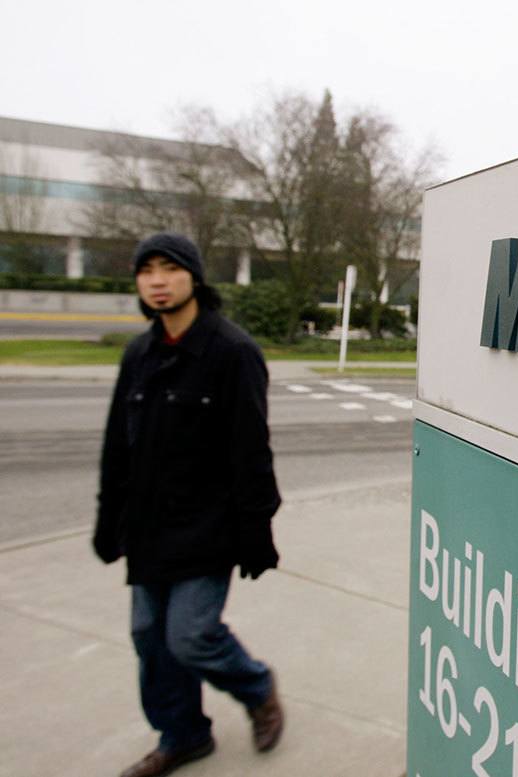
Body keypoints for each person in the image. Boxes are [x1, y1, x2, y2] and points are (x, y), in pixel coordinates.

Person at [94, 232, 285, 777]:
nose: (157, 280)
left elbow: (252, 453)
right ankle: (182, 735)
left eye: (169, 268)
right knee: (151, 641)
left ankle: (256, 686)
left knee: (191, 636)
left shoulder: (232, 352)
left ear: (194, 277)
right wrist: (109, 522)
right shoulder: (139, 354)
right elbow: (117, 447)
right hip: (148, 530)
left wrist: (256, 533)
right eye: (146, 270)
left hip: (207, 530)